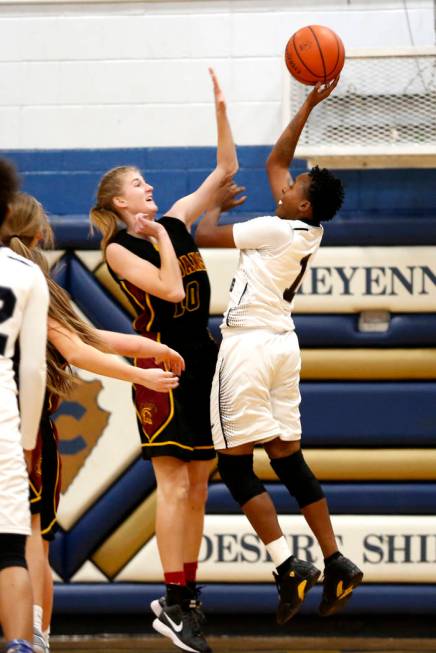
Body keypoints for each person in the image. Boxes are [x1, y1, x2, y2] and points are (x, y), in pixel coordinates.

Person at [195, 79, 363, 624]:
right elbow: (276, 160)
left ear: (303, 203)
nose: (284, 185)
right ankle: (335, 558)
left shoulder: (272, 228)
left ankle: (287, 564)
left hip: (246, 347)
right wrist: (309, 104)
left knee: (235, 466)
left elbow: (203, 234)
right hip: (284, 347)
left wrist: (216, 204)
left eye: (294, 187)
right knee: (287, 459)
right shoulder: (308, 229)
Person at [90, 68, 238, 653]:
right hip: (161, 368)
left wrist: (222, 110)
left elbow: (225, 170)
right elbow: (173, 294)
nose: (149, 189)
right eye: (139, 184)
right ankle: (173, 599)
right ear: (118, 201)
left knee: (200, 487)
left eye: (148, 183)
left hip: (204, 359)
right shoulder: (120, 249)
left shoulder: (175, 219)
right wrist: (161, 241)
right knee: (173, 486)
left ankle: (186, 596)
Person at [2, 191, 185, 653]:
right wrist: (143, 369)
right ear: (41, 234)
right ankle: (35, 637)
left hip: (21, 420)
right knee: (29, 543)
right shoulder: (31, 279)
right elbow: (79, 349)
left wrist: (150, 348)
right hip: (21, 424)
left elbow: (90, 336)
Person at [0, 159, 49, 653]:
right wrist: (29, 441)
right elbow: (32, 371)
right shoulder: (25, 273)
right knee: (10, 551)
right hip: (2, 419)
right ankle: (19, 645)